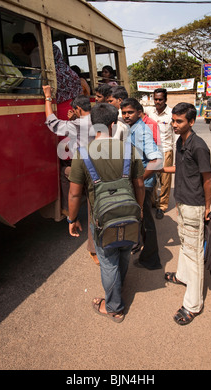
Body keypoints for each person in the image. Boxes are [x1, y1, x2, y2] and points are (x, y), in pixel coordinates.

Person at [67, 103, 145, 322]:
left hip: (102, 218)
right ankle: (118, 289)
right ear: (113, 124)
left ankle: (114, 307)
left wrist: (71, 219)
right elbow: (139, 185)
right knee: (123, 252)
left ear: (93, 125)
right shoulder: (129, 149)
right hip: (130, 213)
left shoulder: (82, 153)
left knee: (108, 260)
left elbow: (74, 195)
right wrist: (139, 212)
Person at [163, 102, 211, 325]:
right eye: (173, 120)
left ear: (191, 122)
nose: (174, 124)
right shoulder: (179, 141)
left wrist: (208, 205)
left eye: (179, 121)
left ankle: (193, 305)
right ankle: (182, 277)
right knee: (185, 242)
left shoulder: (199, 146)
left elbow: (208, 178)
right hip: (182, 202)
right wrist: (159, 168)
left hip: (194, 205)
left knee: (194, 254)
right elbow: (183, 169)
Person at [42, 86, 99, 264]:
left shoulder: (76, 124)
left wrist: (48, 98)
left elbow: (52, 122)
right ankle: (94, 249)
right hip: (98, 167)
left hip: (82, 167)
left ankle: (69, 211)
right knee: (93, 209)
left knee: (65, 174)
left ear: (78, 110)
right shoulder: (99, 119)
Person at [121, 98, 163, 270]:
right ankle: (139, 246)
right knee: (140, 219)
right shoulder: (131, 128)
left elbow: (156, 160)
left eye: (130, 112)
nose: (126, 116)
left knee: (146, 221)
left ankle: (151, 259)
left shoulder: (142, 131)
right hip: (138, 181)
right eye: (124, 113)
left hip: (143, 183)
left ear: (139, 113)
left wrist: (140, 179)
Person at [145, 88, 175, 219]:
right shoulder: (149, 112)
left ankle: (162, 206)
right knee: (151, 177)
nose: (157, 102)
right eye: (155, 99)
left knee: (165, 180)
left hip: (166, 150)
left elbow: (175, 136)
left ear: (165, 100)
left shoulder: (171, 114)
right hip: (151, 151)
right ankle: (153, 201)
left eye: (160, 99)